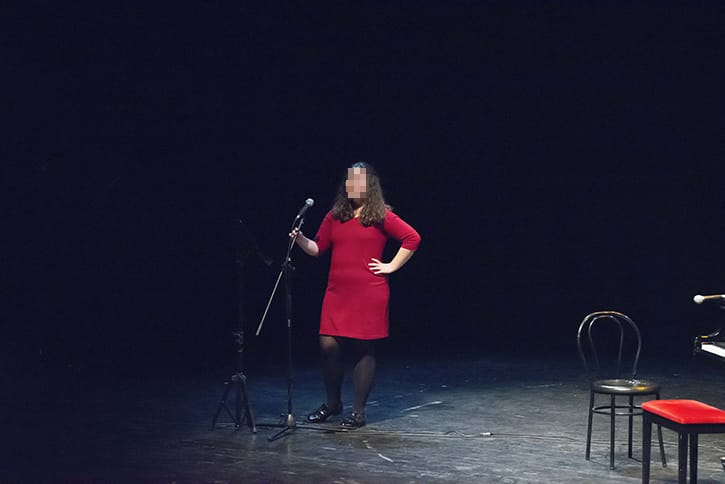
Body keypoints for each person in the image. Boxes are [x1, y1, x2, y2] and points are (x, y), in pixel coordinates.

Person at [290, 162, 421, 428]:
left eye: (358, 180)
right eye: (349, 180)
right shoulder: (335, 215)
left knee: (364, 348)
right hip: (337, 293)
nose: (352, 185)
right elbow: (318, 248)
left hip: (369, 292)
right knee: (328, 346)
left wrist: (391, 266)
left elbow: (412, 238)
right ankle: (333, 403)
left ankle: (358, 412)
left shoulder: (381, 215)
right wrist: (301, 239)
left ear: (369, 185)